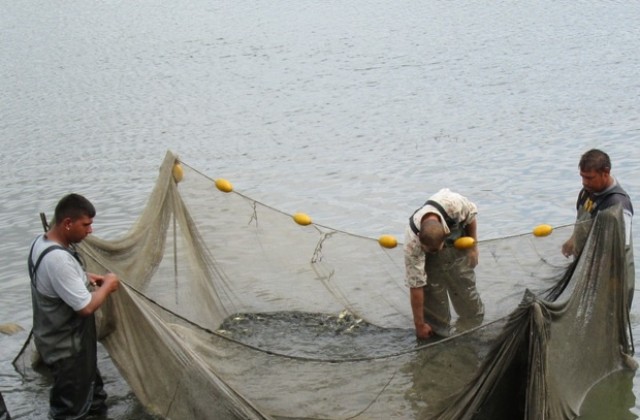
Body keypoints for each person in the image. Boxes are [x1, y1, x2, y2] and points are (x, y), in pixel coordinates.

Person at [27, 193, 120, 419]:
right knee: (70, 412)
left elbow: (56, 279)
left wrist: (86, 277)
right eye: (86, 224)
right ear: (67, 223)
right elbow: (85, 307)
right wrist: (107, 286)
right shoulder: (58, 260)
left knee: (95, 400)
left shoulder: (42, 242)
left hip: (58, 343)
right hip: (67, 351)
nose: (90, 230)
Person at [404, 188, 484, 339]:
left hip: (455, 245)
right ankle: (439, 333)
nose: (436, 253)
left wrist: (474, 247)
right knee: (434, 304)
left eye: (437, 250)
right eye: (430, 250)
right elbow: (415, 285)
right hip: (426, 256)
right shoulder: (412, 245)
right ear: (420, 237)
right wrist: (419, 324)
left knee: (468, 300)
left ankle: (470, 330)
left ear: (445, 234)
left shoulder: (453, 204)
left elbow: (471, 216)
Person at [562, 149, 635, 307]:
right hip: (588, 272)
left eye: (589, 178)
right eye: (582, 176)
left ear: (605, 173)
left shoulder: (619, 204)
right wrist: (573, 239)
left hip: (613, 281)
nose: (584, 182)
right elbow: (583, 220)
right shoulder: (587, 192)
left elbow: (621, 248)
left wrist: (595, 270)